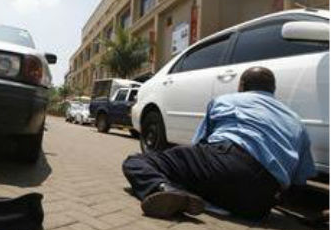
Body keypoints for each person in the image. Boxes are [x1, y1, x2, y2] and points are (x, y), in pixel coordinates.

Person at [122, 66, 316, 220]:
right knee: (208, 181)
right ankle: (195, 196)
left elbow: (200, 143)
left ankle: (164, 189)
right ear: (272, 90)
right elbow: (299, 180)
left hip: (226, 162)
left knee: (137, 162)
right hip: (258, 203)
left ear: (242, 86)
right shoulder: (297, 121)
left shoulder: (227, 100)